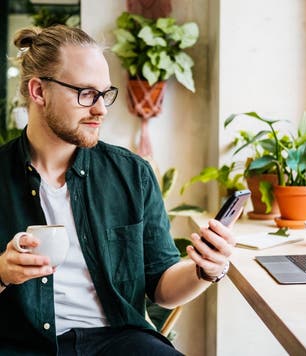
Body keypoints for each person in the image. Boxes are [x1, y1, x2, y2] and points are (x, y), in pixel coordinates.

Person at [0, 25, 235, 355]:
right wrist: (3, 272)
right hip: (20, 344)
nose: (101, 109)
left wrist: (207, 269)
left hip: (119, 341)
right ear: (38, 91)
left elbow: (162, 288)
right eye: (86, 94)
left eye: (104, 93)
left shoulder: (132, 174)